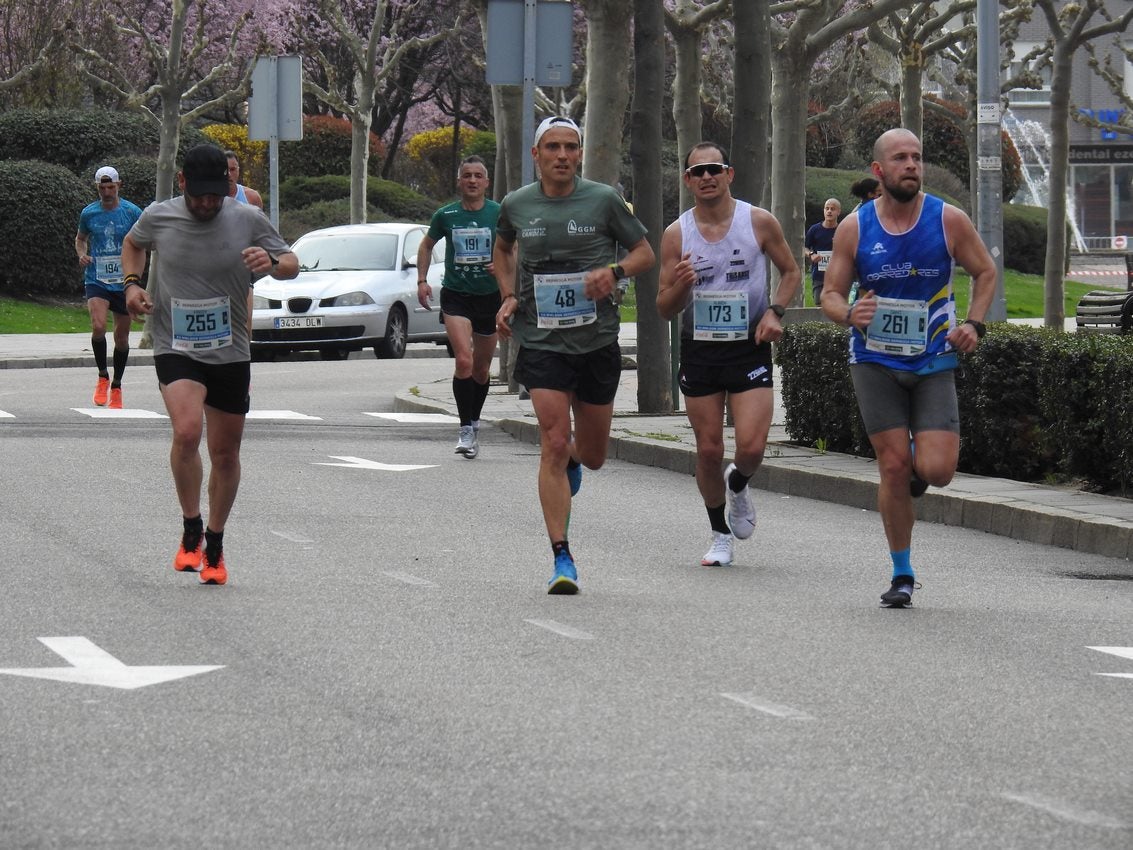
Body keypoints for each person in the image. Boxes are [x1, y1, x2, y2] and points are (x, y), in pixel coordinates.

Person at [820, 128, 996, 608]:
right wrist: (847, 313)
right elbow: (831, 294)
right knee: (893, 466)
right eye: (901, 158)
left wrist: (976, 325)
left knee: (936, 471)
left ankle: (920, 463)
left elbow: (985, 272)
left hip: (934, 358)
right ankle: (902, 572)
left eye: (917, 157)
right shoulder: (855, 227)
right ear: (879, 171)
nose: (912, 165)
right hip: (873, 359)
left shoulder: (948, 220)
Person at [121, 143, 298, 585]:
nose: (206, 203)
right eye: (198, 194)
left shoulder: (247, 218)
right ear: (182, 183)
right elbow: (132, 243)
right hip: (175, 343)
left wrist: (273, 262)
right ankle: (190, 527)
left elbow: (293, 263)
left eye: (215, 195)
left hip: (230, 348)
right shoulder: (159, 216)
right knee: (185, 431)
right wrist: (130, 285)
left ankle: (215, 544)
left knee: (225, 451)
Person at [493, 116, 655, 595]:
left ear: (579, 154)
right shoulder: (517, 204)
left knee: (593, 454)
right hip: (541, 340)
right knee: (553, 440)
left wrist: (614, 270)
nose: (562, 155)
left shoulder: (603, 199)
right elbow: (502, 250)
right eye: (553, 147)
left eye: (570, 147)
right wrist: (508, 294)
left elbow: (645, 252)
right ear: (536, 155)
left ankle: (576, 463)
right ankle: (562, 557)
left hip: (596, 340)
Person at [657, 142, 801, 568]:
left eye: (714, 169)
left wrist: (775, 311)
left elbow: (791, 270)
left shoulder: (757, 221)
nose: (706, 177)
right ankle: (719, 533)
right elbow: (665, 306)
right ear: (687, 181)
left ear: (729, 174)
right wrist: (681, 285)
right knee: (707, 450)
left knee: (753, 446)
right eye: (697, 172)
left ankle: (738, 483)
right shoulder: (676, 234)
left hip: (748, 347)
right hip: (700, 350)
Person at [416, 155, 501, 459]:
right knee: (464, 361)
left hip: (489, 297)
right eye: (467, 176)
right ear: (459, 181)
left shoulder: (498, 214)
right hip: (457, 295)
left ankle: (475, 421)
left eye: (478, 176)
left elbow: (512, 247)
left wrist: (501, 267)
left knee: (481, 368)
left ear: (486, 182)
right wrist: (422, 280)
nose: (473, 181)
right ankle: (465, 429)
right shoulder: (446, 215)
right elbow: (426, 244)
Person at [76, 166, 143, 408]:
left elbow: (142, 242)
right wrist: (82, 254)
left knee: (122, 337)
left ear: (119, 186)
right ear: (97, 188)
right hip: (97, 279)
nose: (106, 192)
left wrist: (135, 274)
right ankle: (102, 375)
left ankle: (117, 385)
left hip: (124, 282)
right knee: (98, 325)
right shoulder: (89, 213)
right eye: (102, 188)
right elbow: (80, 239)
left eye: (111, 187)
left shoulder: (132, 212)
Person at [804, 198, 840, 305]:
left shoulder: (842, 229)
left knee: (837, 306)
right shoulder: (814, 229)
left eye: (832, 209)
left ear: (838, 212)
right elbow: (804, 248)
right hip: (819, 275)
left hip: (838, 275)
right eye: (827, 208)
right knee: (819, 305)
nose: (829, 211)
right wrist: (811, 254)